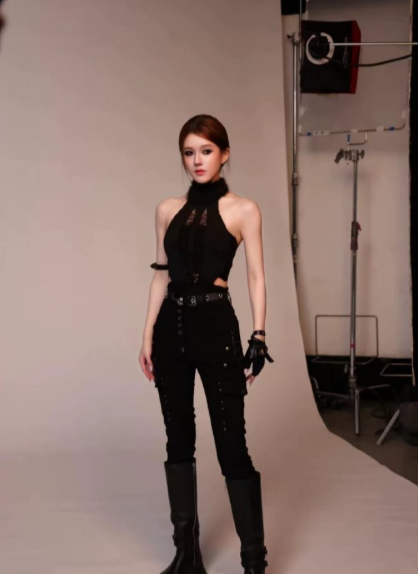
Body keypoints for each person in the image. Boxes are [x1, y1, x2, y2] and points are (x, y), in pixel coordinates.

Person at [139, 114, 274, 574]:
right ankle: (187, 557)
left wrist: (259, 335)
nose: (197, 160)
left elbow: (256, 276)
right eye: (189, 152)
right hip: (171, 329)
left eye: (206, 151)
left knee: (231, 443)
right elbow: (161, 275)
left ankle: (254, 563)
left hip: (216, 327)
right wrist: (147, 334)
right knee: (177, 439)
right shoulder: (166, 209)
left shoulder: (244, 209)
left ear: (224, 154)